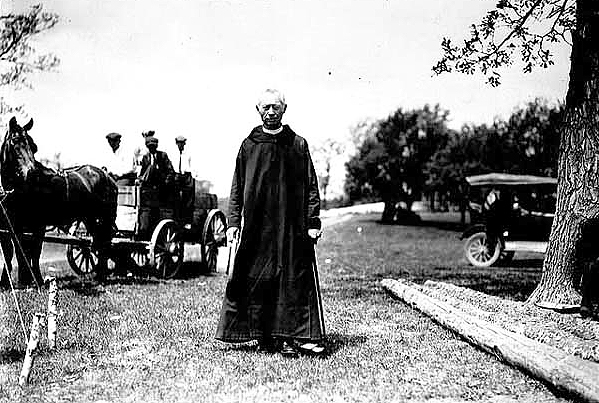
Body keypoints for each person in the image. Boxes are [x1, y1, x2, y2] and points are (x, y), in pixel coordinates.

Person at [215, 88, 326, 357]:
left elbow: (311, 186)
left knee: (291, 280)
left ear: (284, 110)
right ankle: (263, 336)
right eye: (266, 107)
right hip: (257, 226)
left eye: (276, 107)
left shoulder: (297, 144)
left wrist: (312, 221)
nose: (271, 111)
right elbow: (237, 187)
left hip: (291, 227)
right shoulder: (249, 145)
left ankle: (290, 336)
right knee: (256, 278)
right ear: (258, 110)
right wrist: (233, 222)